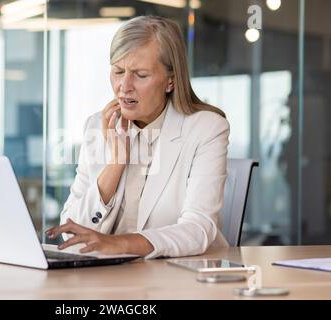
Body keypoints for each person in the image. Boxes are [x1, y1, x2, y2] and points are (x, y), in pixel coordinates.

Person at [46, 16, 230, 259]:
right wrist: (116, 165)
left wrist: (118, 244)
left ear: (170, 81)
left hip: (182, 275)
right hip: (114, 277)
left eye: (140, 75)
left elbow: (198, 228)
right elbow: (71, 235)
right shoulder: (97, 126)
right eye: (118, 71)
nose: (124, 86)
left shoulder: (206, 128)